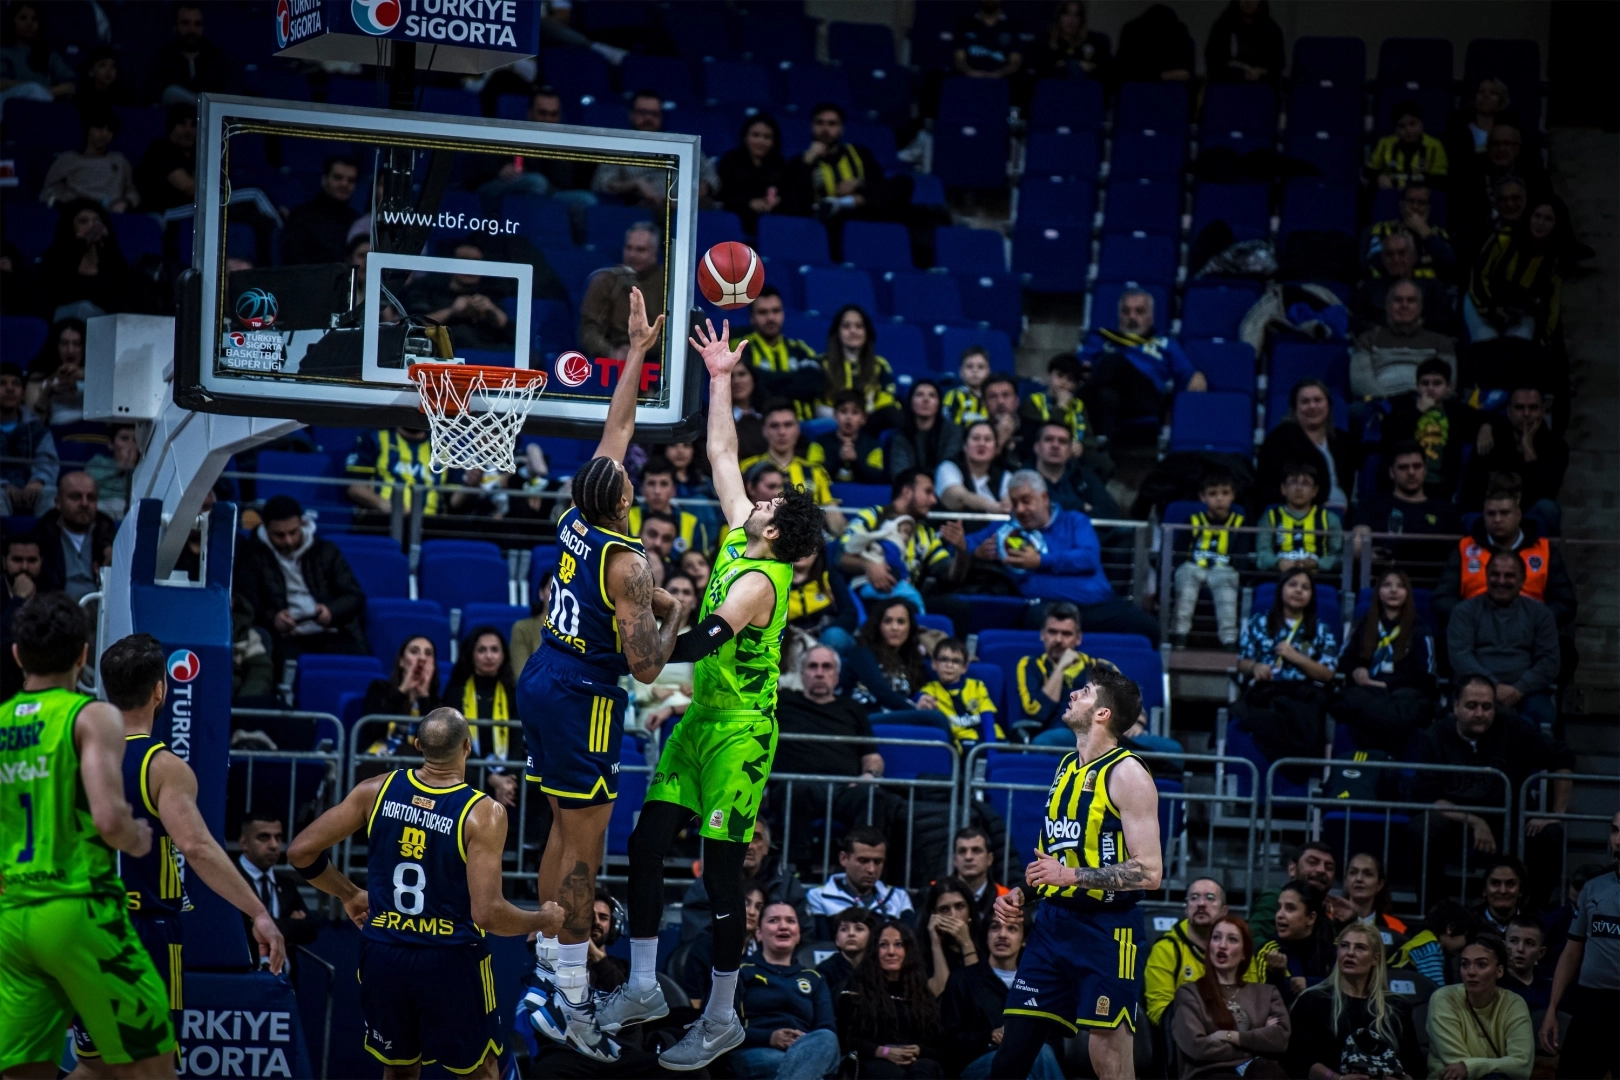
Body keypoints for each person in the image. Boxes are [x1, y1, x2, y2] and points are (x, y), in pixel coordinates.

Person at [608, 316, 827, 1071]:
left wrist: (649, 649)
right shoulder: (740, 533)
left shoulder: (765, 579)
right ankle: (643, 985)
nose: (760, 499)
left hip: (742, 730)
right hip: (702, 717)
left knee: (722, 869)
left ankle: (724, 1016)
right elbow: (722, 452)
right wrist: (719, 376)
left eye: (771, 504)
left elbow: (705, 639)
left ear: (778, 532)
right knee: (645, 844)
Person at [515, 289, 683, 1061]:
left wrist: (637, 353)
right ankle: (574, 998)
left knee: (562, 824)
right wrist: (674, 609)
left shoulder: (576, 515)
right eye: (627, 479)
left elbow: (617, 429)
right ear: (622, 499)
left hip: (545, 671)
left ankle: (548, 954)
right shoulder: (629, 564)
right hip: (583, 692)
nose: (630, 474)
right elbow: (647, 665)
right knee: (587, 848)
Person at [287, 708, 562, 1080]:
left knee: (399, 1071)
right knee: (481, 1072)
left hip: (384, 954)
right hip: (451, 959)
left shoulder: (375, 790)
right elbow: (488, 915)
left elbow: (300, 851)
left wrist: (348, 893)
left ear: (418, 745)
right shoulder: (483, 813)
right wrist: (543, 919)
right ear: (467, 747)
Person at [66, 634, 288, 1075]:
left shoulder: (76, 756)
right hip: (139, 931)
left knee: (97, 1066)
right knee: (156, 1067)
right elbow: (197, 848)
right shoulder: (162, 766)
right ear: (159, 689)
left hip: (81, 924)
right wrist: (258, 911)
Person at [0, 595, 172, 1078]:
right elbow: (109, 820)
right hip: (79, 909)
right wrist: (136, 837)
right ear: (83, 654)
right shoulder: (91, 716)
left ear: (17, 654)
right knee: (154, 1069)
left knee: (24, 1073)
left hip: (14, 918)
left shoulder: (2, 721)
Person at [989, 669, 1161, 1080]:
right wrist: (1022, 893)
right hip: (1052, 926)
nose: (1072, 694)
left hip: (1108, 930)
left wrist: (1071, 876)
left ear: (1102, 713)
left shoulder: (1128, 774)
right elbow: (1054, 859)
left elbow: (1150, 871)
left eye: (1084, 692)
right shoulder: (1067, 765)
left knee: (1109, 1060)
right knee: (1011, 1055)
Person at [1410, 675, 1574, 906]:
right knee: (1421, 829)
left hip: (1508, 821)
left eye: (1487, 707)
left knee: (1551, 835)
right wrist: (1474, 821)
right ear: (1456, 706)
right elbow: (1428, 797)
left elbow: (1562, 756)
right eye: (1471, 706)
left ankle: (1532, 913)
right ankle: (1436, 911)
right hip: (1457, 821)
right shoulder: (1436, 735)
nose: (1480, 713)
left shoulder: (1513, 727)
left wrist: (1557, 814)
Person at [966, 470, 1162, 642]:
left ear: (1044, 498)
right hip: (1047, 609)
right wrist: (976, 552)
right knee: (1032, 619)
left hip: (1096, 606)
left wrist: (1040, 561)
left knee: (1148, 627)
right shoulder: (1005, 530)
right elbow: (964, 544)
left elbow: (1087, 558)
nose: (1019, 510)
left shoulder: (1075, 521)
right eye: (1014, 503)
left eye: (1026, 501)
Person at [774, 647, 909, 869]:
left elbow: (872, 756)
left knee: (873, 798)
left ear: (836, 675)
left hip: (845, 788)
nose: (819, 673)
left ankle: (862, 868)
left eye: (826, 667)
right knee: (795, 790)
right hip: (798, 785)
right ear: (802, 673)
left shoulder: (852, 709)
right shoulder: (783, 702)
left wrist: (870, 775)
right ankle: (798, 869)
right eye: (812, 666)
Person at [235, 494, 367, 667]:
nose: (288, 541)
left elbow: (354, 596)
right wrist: (274, 619)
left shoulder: (326, 551)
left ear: (302, 524)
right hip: (285, 638)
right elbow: (247, 603)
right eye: (279, 535)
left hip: (332, 632)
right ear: (266, 529)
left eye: (293, 532)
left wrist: (331, 611)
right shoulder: (251, 556)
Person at [1538, 810, 1620, 1080]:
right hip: (1590, 1003)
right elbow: (1572, 952)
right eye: (1615, 830)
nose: (1618, 840)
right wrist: (1552, 1008)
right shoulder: (1593, 888)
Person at [1284, 923, 1425, 1080]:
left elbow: (1415, 1066)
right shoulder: (1312, 1000)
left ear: (1375, 959)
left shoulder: (1396, 1007)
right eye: (1344, 946)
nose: (1350, 953)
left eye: (1360, 948)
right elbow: (1297, 1059)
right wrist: (1337, 1079)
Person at [1436, 480, 1576, 631]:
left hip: (1530, 631)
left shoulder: (1545, 549)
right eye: (1491, 514)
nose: (1497, 519)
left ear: (1518, 515)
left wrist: (1533, 619)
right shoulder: (1465, 547)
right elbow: (1442, 598)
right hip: (1476, 630)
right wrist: (1475, 618)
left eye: (1504, 513)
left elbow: (1565, 603)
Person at [943, 912, 1066, 1079]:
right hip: (978, 1064)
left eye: (1012, 929)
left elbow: (1056, 1044)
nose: (1002, 935)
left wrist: (1028, 1037)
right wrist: (989, 1036)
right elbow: (948, 1041)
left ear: (1025, 940)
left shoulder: (1039, 984)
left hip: (1031, 1063)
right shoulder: (962, 980)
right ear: (986, 936)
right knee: (1036, 1053)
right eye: (995, 927)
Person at [1234, 568, 1338, 764]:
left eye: (1305, 587)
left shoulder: (1321, 630)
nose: (1298, 590)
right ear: (1281, 589)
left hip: (1304, 695)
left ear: (1311, 595)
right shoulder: (1260, 622)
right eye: (1292, 585)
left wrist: (1296, 657)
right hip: (1267, 691)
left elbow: (1327, 674)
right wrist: (1255, 667)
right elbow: (1242, 662)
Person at [839, 469, 970, 624]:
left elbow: (952, 577)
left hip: (907, 597)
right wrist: (867, 565)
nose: (934, 500)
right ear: (907, 492)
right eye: (928, 492)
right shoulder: (872, 516)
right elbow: (839, 557)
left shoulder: (926, 533)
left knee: (959, 609)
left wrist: (961, 550)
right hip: (872, 595)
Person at [1447, 552, 1560, 730]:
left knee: (1542, 717)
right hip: (1474, 689)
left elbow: (1549, 661)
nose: (1501, 581)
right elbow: (1460, 656)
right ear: (1486, 576)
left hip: (1526, 692)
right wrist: (1491, 687)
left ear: (1522, 580)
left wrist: (1519, 689)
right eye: (1495, 574)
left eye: (1509, 576)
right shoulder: (1464, 611)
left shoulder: (1541, 614)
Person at [1330, 569, 1438, 754]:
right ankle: (1385, 752)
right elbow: (1344, 660)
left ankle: (1375, 752)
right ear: (1378, 592)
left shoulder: (1420, 630)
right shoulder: (1362, 625)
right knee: (1343, 699)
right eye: (1387, 585)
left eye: (1400, 586)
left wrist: (1386, 684)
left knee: (1410, 705)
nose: (1393, 590)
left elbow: (1426, 677)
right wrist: (1355, 670)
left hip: (1402, 696)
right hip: (1367, 693)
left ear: (1407, 593)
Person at [1077, 288, 1206, 442]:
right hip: (1112, 399)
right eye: (1126, 311)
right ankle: (1102, 448)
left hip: (1146, 400)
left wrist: (1196, 381)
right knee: (1107, 396)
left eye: (1139, 311)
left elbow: (1190, 375)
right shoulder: (1103, 340)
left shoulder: (1165, 343)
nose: (1132, 317)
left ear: (1151, 318)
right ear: (1119, 316)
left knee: (1113, 361)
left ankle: (1073, 403)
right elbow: (1077, 366)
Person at [732, 902, 842, 1080]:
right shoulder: (739, 971)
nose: (783, 926)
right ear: (758, 933)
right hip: (755, 1050)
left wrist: (802, 1043)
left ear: (798, 934)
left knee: (826, 1038)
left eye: (790, 921)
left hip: (806, 1050)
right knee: (794, 1064)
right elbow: (720, 1027)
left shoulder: (815, 978)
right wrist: (769, 1038)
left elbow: (826, 1029)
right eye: (773, 920)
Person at [1171, 916, 1290, 1079]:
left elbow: (1280, 1039)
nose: (1222, 945)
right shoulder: (1190, 993)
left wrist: (1230, 1036)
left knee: (1267, 1070)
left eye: (1232, 939)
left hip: (1257, 1071)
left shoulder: (1267, 993)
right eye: (1216, 938)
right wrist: (1258, 1044)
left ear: (1244, 953)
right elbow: (1197, 1047)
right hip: (1210, 1074)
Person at [837, 922, 947, 1078]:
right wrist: (883, 1052)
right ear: (874, 951)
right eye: (883, 945)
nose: (891, 952)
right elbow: (848, 1039)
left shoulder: (920, 991)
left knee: (926, 1068)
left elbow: (940, 1045)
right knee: (889, 1073)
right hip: (873, 1060)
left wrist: (919, 1050)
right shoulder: (858, 987)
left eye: (898, 945)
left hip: (915, 1061)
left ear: (908, 950)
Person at [789, 103, 900, 257]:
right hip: (822, 223)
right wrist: (807, 163)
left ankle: (845, 203)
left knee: (902, 183)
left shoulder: (859, 154)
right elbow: (794, 201)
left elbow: (880, 185)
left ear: (841, 129)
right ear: (811, 127)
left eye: (832, 124)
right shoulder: (799, 162)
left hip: (862, 214)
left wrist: (858, 184)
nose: (825, 129)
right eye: (820, 123)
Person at [681, 816, 811, 942]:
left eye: (756, 838)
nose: (749, 846)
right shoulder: (707, 885)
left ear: (766, 847)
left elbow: (805, 937)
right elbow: (695, 938)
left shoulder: (787, 886)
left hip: (774, 956)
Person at [1426, 935, 1535, 1079]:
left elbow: (1522, 1066)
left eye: (1481, 965)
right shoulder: (1443, 998)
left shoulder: (1514, 1003)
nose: (1471, 972)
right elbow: (1456, 1067)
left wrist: (1470, 1067)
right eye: (1465, 964)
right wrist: (1499, 1066)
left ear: (1499, 971)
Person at [1381, 359, 1489, 502]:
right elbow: (1389, 436)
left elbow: (1490, 418)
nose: (1430, 388)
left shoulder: (1456, 411)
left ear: (1449, 387)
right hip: (1404, 484)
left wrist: (1486, 427)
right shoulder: (1403, 407)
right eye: (1425, 383)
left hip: (1441, 487)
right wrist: (1417, 411)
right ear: (1417, 386)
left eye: (1437, 383)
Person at [591, 90, 718, 209]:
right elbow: (602, 183)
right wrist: (634, 184)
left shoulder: (680, 143)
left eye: (654, 114)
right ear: (631, 115)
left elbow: (712, 178)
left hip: (685, 207)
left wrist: (694, 193)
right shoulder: (619, 146)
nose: (648, 118)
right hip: (641, 208)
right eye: (642, 113)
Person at [444, 625, 524, 809]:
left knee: (536, 781)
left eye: (495, 650)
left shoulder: (513, 692)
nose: (489, 656)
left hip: (507, 768)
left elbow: (517, 740)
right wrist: (492, 778)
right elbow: (457, 743)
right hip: (468, 766)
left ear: (503, 655)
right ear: (471, 655)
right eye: (482, 650)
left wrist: (509, 778)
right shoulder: (455, 692)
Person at [1013, 602, 1121, 737]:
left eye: (1066, 634)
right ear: (1042, 635)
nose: (1058, 640)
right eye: (1052, 632)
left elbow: (1128, 705)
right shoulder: (1030, 665)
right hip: (1057, 735)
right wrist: (1060, 667)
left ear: (1078, 638)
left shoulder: (1101, 666)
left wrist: (1138, 722)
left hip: (1100, 734)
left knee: (1146, 742)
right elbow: (1038, 712)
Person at [842, 597, 950, 730]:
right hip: (864, 717)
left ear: (910, 627)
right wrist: (915, 709)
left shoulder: (911, 659)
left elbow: (927, 686)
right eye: (888, 621)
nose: (895, 627)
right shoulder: (861, 653)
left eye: (901, 622)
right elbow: (881, 691)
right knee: (935, 718)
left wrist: (922, 699)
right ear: (878, 626)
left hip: (896, 716)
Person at [1466, 202, 1565, 345]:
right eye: (1537, 216)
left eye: (1548, 219)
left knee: (1519, 348)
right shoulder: (1504, 239)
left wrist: (1544, 337)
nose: (1541, 223)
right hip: (1482, 304)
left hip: (1519, 314)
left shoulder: (1552, 262)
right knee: (1488, 346)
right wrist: (1490, 308)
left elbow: (1552, 305)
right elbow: (1479, 274)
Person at [1468, 388, 1569, 527]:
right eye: (1520, 408)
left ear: (1542, 411)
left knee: (1547, 508)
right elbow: (1473, 487)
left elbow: (1547, 491)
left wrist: (1528, 449)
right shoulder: (1492, 438)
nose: (1526, 414)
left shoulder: (1556, 445)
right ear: (1509, 411)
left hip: (1528, 511)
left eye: (1533, 408)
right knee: (1470, 517)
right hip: (1492, 510)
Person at [1170, 470, 1249, 649]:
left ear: (1233, 496)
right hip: (1193, 568)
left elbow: (1241, 556)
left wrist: (1239, 574)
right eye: (1213, 494)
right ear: (1203, 497)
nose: (1219, 499)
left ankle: (1229, 640)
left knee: (1227, 583)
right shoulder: (1192, 520)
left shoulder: (1239, 522)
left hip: (1223, 570)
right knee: (1186, 578)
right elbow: (1179, 553)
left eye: (1225, 493)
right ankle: (1180, 635)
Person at [1350, 442, 1460, 566]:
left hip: (1432, 575)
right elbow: (1358, 542)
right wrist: (1367, 554)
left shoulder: (1445, 510)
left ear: (1425, 470)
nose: (1411, 472)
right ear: (1391, 472)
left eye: (1417, 466)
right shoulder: (1371, 505)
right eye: (1403, 467)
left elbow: (1458, 552)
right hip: (1384, 574)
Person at [1350, 280, 1459, 400]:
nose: (1404, 305)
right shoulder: (1368, 340)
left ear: (1420, 307)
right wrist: (1389, 402)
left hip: (1426, 402)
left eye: (1411, 300)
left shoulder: (1441, 343)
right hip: (1382, 403)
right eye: (1398, 300)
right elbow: (1360, 383)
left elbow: (1447, 383)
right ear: (1387, 306)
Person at [1255, 379, 1354, 510]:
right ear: (1295, 407)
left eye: (1318, 400)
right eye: (1305, 402)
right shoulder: (1278, 440)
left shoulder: (1342, 440)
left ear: (1328, 405)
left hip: (1342, 512)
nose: (1312, 406)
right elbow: (1268, 489)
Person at [235, 809, 319, 963]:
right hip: (245, 972)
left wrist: (260, 925)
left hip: (285, 975)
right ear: (244, 843)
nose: (274, 845)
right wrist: (289, 924)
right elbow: (237, 930)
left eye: (278, 838)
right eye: (264, 837)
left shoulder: (286, 885)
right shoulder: (229, 880)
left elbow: (310, 929)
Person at [1146, 878, 1232, 1025]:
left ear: (1224, 911)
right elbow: (1159, 1010)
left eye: (1210, 897)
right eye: (1194, 898)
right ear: (1186, 908)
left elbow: (1252, 1003)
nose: (1201, 903)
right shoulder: (1166, 949)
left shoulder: (1238, 950)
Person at [40, 198, 144, 319]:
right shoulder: (54, 261)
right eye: (84, 221)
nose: (93, 226)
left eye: (97, 220)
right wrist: (80, 244)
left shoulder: (116, 265)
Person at [579, 224, 667, 360]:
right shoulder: (605, 281)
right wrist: (611, 352)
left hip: (655, 360)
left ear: (655, 253)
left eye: (640, 250)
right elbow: (588, 330)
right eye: (628, 248)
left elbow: (672, 333)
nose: (632, 255)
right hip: (611, 360)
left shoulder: (668, 283)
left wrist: (639, 349)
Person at [807, 828, 917, 937]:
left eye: (878, 862)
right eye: (863, 861)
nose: (871, 869)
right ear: (844, 859)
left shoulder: (898, 896)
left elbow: (908, 942)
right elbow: (823, 945)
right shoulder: (819, 897)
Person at [741, 285, 823, 421]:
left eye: (776, 311)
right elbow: (753, 389)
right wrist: (795, 381)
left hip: (805, 425)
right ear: (752, 317)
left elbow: (814, 385)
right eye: (762, 312)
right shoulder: (742, 348)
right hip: (760, 425)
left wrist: (768, 380)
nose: (770, 317)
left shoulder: (800, 348)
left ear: (783, 313)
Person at [684, 880, 769, 1008]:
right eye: (746, 903)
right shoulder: (704, 947)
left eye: (759, 907)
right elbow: (694, 1003)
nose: (752, 912)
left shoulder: (765, 950)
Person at [741, 399, 837, 510]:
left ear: (798, 429)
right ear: (764, 430)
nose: (782, 432)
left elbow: (832, 513)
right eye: (774, 426)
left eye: (788, 425)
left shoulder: (815, 471)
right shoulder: (747, 468)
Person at [40, 108, 138, 211]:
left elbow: (132, 192)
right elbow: (48, 191)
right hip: (77, 211)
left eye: (109, 130)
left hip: (111, 213)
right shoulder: (68, 159)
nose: (105, 134)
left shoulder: (120, 160)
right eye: (99, 128)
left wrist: (126, 202)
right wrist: (66, 205)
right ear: (88, 129)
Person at [36, 470, 114, 601]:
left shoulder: (111, 539)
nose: (84, 503)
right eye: (76, 497)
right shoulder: (41, 538)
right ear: (58, 502)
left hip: (101, 608)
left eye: (91, 498)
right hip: (57, 608)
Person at [1250, 843, 1348, 947]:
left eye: (1329, 867)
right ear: (1292, 869)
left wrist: (1350, 921)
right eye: (1313, 862)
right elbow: (1253, 938)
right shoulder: (1275, 898)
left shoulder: (1328, 910)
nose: (1321, 870)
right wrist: (1274, 955)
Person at [1254, 880, 1338, 1000]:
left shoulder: (1336, 946)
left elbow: (1350, 985)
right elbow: (1268, 1001)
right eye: (1278, 908)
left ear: (1310, 918)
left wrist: (1309, 984)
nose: (1279, 915)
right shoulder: (1270, 950)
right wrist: (1275, 975)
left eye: (1290, 908)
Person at [818, 303, 899, 424]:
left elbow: (886, 403)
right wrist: (847, 418)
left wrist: (860, 418)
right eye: (846, 326)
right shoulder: (821, 364)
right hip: (831, 425)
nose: (853, 331)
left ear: (867, 332)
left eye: (859, 326)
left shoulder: (880, 365)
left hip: (870, 424)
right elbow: (817, 407)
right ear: (837, 332)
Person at [360, 635, 443, 753]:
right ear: (402, 661)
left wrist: (424, 697)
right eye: (414, 652)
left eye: (428, 653)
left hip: (415, 761)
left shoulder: (436, 703)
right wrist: (403, 689)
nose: (422, 658)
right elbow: (373, 731)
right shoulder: (379, 689)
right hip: (379, 758)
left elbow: (431, 746)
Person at [1255, 463, 1343, 573]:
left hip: (1318, 577)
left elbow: (1338, 556)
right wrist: (1278, 562)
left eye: (1305, 483)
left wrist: (1317, 563)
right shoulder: (1270, 516)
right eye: (1293, 482)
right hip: (1279, 577)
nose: (1299, 488)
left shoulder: (1329, 518)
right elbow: (1262, 553)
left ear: (1314, 491)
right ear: (1283, 489)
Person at [719, 113, 795, 235]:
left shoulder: (781, 164)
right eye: (755, 135)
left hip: (772, 225)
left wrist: (778, 201)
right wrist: (749, 203)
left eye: (767, 137)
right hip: (735, 223)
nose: (761, 141)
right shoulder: (730, 160)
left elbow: (790, 195)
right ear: (745, 137)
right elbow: (723, 194)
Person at [917, 637, 1000, 748]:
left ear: (964, 667)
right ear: (934, 664)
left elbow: (987, 718)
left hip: (993, 740)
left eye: (956, 661)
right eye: (944, 659)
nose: (949, 665)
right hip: (962, 743)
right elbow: (917, 700)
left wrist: (991, 749)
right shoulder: (930, 690)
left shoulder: (977, 686)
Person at [1364, 182, 1457, 282]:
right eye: (1410, 201)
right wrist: (1420, 259)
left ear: (1429, 207)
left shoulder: (1439, 234)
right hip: (1389, 285)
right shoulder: (1382, 229)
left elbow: (1450, 263)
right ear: (1402, 204)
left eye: (1421, 202)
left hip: (1429, 287)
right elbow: (1374, 260)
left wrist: (1423, 231)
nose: (1415, 207)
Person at [1028, 419, 1117, 519]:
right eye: (1049, 439)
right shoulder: (1021, 477)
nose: (1055, 445)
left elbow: (1110, 512)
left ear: (1070, 449)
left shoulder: (1083, 476)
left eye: (1062, 441)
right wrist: (1080, 506)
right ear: (1036, 447)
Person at [281, 155, 361, 266]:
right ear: (324, 179)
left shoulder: (357, 221)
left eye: (351, 180)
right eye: (338, 178)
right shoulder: (301, 216)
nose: (344, 184)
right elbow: (294, 260)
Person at [0, 360, 57, 516]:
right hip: (1, 491)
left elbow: (47, 461)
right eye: (2, 383)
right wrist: (4, 485)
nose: (10, 388)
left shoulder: (36, 428)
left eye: (16, 384)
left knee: (51, 494)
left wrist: (38, 481)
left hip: (31, 490)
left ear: (23, 392)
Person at [143, 2, 229, 105]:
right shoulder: (162, 59)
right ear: (175, 26)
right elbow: (156, 96)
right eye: (185, 23)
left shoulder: (216, 59)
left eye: (197, 24)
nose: (192, 30)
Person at [628, 456, 711, 558]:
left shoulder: (692, 523)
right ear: (642, 489)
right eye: (651, 483)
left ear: (674, 490)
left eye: (664, 484)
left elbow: (701, 562)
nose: (657, 491)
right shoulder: (627, 517)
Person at [0, 1, 74, 108]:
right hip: (8, 101)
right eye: (23, 18)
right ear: (12, 21)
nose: (29, 23)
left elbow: (70, 84)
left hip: (43, 100)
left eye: (34, 19)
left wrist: (44, 91)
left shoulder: (49, 54)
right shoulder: (3, 52)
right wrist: (32, 88)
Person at [809, 389, 887, 484]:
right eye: (843, 411)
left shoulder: (873, 446)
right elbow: (812, 474)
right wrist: (838, 459)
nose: (848, 417)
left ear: (863, 418)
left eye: (855, 412)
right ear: (835, 415)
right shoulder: (819, 442)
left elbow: (878, 478)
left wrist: (855, 461)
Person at [1367, 101, 1450, 189]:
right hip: (1390, 192)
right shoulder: (1384, 144)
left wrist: (1423, 185)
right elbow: (1369, 171)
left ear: (1421, 124)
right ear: (1396, 129)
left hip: (1423, 193)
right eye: (1402, 126)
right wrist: (1379, 177)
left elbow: (1441, 177)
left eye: (1412, 124)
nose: (1408, 130)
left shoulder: (1434, 145)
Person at [890, 380, 964, 477]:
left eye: (932, 396)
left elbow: (949, 467)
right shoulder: (901, 434)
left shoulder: (953, 432)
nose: (926, 400)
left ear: (939, 403)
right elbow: (900, 472)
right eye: (919, 395)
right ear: (910, 402)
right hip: (910, 484)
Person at [1392, 902, 1476, 986]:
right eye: (1466, 937)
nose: (1466, 944)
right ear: (1450, 928)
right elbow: (1435, 989)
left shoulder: (1423, 938)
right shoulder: (1430, 949)